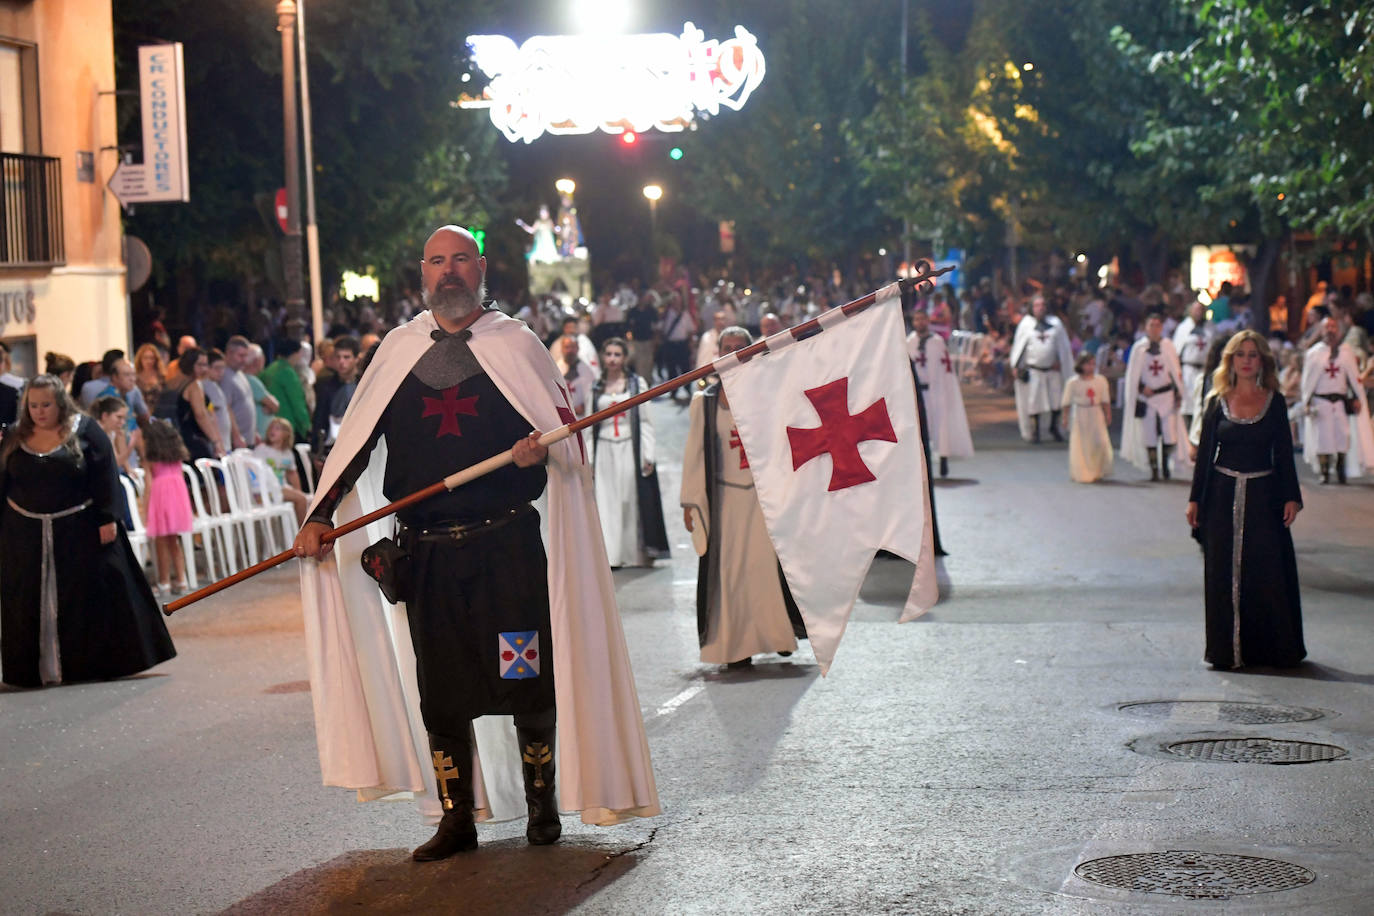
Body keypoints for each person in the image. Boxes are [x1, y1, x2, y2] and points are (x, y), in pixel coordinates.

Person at [292, 225, 658, 861]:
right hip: (428, 554)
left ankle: (542, 807)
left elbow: (558, 444)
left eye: (460, 260)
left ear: (481, 267)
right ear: (423, 272)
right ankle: (457, 819)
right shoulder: (398, 352)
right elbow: (354, 446)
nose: (449, 272)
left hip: (505, 549)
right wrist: (320, 514)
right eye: (437, 261)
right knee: (441, 687)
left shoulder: (517, 345)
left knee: (524, 672)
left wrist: (530, 456)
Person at [0, 376, 175, 687]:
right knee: (24, 599)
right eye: (34, 405)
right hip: (24, 532)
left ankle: (86, 665)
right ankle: (33, 670)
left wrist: (108, 516)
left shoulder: (85, 430)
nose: (39, 412)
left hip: (78, 527)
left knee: (87, 596)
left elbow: (105, 473)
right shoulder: (14, 436)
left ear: (60, 403)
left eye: (46, 405)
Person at [681, 326, 807, 668]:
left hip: (762, 501)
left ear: (753, 352)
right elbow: (694, 454)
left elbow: (786, 446)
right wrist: (691, 501)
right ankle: (737, 647)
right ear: (718, 354)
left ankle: (776, 635)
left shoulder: (770, 397)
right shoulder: (704, 403)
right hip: (726, 502)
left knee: (765, 570)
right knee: (731, 573)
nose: (734, 352)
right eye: (728, 347)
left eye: (741, 347)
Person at [1187, 331, 1304, 669]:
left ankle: (1268, 649)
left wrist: (1290, 497)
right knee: (1222, 572)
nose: (1248, 360)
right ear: (1231, 360)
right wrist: (1195, 499)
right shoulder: (1216, 401)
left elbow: (1283, 453)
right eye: (1241, 354)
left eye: (1253, 354)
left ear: (1262, 360)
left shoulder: (1274, 401)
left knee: (1265, 572)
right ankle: (1226, 650)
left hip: (1264, 496)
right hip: (1222, 497)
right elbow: (1206, 455)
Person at [590, 338, 669, 568]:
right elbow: (587, 426)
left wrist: (647, 453)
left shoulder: (636, 384)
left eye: (617, 354)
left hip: (628, 447)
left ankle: (633, 553)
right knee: (606, 501)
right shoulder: (595, 386)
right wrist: (590, 459)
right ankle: (611, 555)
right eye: (609, 354)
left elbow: (645, 421)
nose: (613, 359)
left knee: (628, 499)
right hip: (604, 449)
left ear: (625, 358)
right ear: (603, 357)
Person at [1300, 315, 1374, 483]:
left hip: (1339, 402)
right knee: (1322, 438)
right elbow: (1308, 381)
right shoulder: (1314, 354)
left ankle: (1341, 472)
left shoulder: (1346, 353)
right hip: (1320, 402)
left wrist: (1356, 397)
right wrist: (1307, 401)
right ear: (1322, 330)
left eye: (1334, 327)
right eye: (1327, 327)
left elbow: (1353, 380)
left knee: (1343, 436)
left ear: (1339, 331)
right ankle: (1324, 472)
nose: (1331, 330)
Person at [907, 308, 974, 478]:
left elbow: (946, 369)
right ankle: (923, 464)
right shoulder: (909, 342)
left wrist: (946, 390)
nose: (920, 322)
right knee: (921, 429)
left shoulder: (937, 342)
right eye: (916, 319)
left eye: (923, 319)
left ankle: (943, 458)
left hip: (936, 391)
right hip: (918, 393)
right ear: (913, 322)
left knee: (940, 425)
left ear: (927, 321)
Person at [1122, 313, 1186, 481]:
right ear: (1146, 327)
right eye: (1151, 325)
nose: (1155, 328)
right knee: (1149, 433)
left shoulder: (1168, 346)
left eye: (1158, 325)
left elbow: (1175, 371)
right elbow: (1133, 375)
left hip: (1166, 395)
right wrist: (1142, 388)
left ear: (1162, 327)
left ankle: (1165, 464)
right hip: (1147, 398)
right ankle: (1154, 469)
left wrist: (1179, 393)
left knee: (1168, 432)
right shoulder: (1139, 348)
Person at [141, 419, 194, 596]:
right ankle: (181, 580)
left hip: (160, 499)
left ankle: (164, 583)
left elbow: (148, 486)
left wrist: (145, 510)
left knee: (161, 543)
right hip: (177, 498)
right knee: (174, 542)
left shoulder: (150, 459)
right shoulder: (176, 455)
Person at [1010, 294, 1073, 442]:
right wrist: (1016, 366)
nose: (1040, 308)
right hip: (1034, 370)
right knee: (1034, 402)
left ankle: (1054, 427)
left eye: (1043, 305)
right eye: (1037, 305)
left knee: (1056, 400)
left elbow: (1063, 346)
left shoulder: (1055, 323)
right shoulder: (1026, 324)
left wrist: (1061, 361)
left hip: (1052, 369)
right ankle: (1035, 430)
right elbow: (1019, 347)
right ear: (1032, 308)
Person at [157, 348, 224, 461]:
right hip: (189, 442)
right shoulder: (193, 385)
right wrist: (216, 441)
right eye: (200, 365)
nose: (204, 369)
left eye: (206, 365)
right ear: (190, 363)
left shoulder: (170, 382)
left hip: (170, 440)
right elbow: (201, 415)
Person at [1060, 351, 1113, 483]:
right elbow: (1066, 402)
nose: (1091, 367)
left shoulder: (1100, 380)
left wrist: (1108, 414)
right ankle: (1083, 471)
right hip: (1080, 413)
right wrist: (1065, 417)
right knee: (1082, 443)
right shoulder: (1073, 382)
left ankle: (1097, 470)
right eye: (1088, 364)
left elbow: (1105, 399)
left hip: (1095, 412)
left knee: (1099, 442)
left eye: (1093, 364)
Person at [254, 416, 309, 523]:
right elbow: (254, 472)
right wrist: (299, 495)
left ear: (287, 434)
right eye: (271, 428)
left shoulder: (287, 453)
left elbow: (292, 474)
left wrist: (298, 491)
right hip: (266, 490)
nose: (272, 431)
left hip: (280, 488)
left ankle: (295, 530)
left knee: (302, 498)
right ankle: (302, 532)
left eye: (277, 428)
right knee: (301, 499)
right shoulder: (262, 449)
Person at [259, 338, 312, 442]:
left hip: (270, 424)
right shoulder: (288, 372)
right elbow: (297, 402)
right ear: (296, 354)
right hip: (287, 426)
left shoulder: (269, 369)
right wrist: (306, 426)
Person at [1174, 300, 1215, 434]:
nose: (1199, 312)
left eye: (1201, 310)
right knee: (1188, 405)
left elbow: (1214, 348)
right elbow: (1176, 351)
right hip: (1188, 371)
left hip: (1205, 371)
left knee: (1204, 404)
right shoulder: (1183, 328)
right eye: (1196, 309)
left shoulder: (1210, 327)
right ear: (1190, 311)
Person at [552, 334, 596, 418]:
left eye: (573, 347)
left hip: (582, 415)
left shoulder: (587, 370)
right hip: (563, 415)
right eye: (567, 347)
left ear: (578, 348)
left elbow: (591, 392)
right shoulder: (556, 369)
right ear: (561, 349)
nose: (570, 350)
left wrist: (584, 405)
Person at [133, 343, 168, 407]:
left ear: (156, 359)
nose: (148, 361)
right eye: (145, 358)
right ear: (140, 359)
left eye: (151, 358)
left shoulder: (162, 376)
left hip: (159, 411)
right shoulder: (134, 377)